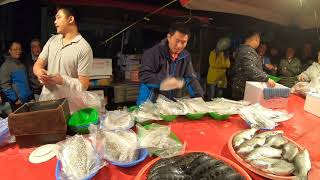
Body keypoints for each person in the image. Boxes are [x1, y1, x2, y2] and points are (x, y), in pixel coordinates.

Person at [33, 6, 93, 101]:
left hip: (69, 104)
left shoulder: (84, 47)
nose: (55, 21)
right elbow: (38, 64)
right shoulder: (52, 41)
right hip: (47, 99)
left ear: (70, 19)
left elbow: (84, 85)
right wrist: (40, 73)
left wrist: (63, 80)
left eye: (58, 17)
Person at [137, 22, 204, 105]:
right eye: (177, 41)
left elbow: (190, 78)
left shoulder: (185, 56)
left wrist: (198, 98)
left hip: (169, 104)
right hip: (148, 103)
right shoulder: (152, 53)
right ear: (169, 37)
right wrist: (164, 82)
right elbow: (144, 76)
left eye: (183, 42)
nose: (179, 46)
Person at [232, 30, 276, 100]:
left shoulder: (243, 49)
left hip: (245, 88)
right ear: (256, 38)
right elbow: (250, 68)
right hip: (244, 90)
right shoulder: (247, 50)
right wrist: (266, 78)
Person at [0, 41, 32, 111]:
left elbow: (25, 83)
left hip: (26, 101)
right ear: (10, 51)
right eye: (15, 49)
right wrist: (15, 99)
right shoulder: (6, 66)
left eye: (20, 49)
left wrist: (30, 96)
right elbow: (5, 85)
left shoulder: (21, 64)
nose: (18, 51)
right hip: (17, 103)